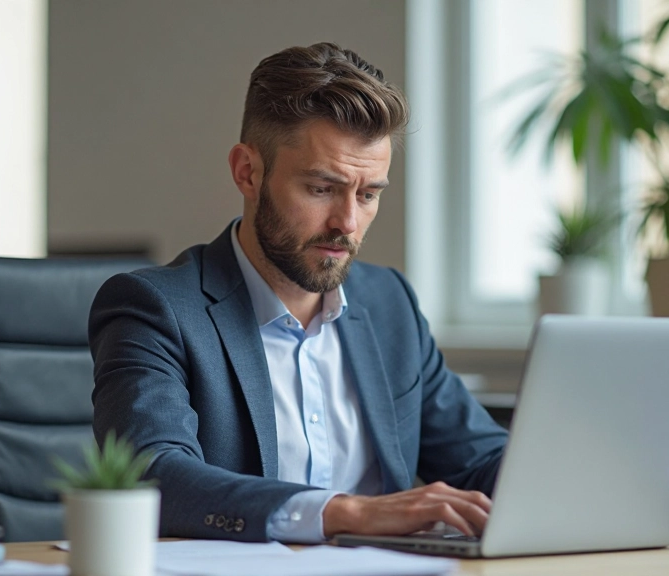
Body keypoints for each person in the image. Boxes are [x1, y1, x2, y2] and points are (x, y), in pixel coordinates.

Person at [89, 42, 508, 544]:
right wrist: (346, 513)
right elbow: (152, 473)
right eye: (321, 188)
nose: (347, 223)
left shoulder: (389, 302)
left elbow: (481, 458)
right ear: (248, 172)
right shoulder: (154, 308)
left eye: (369, 194)